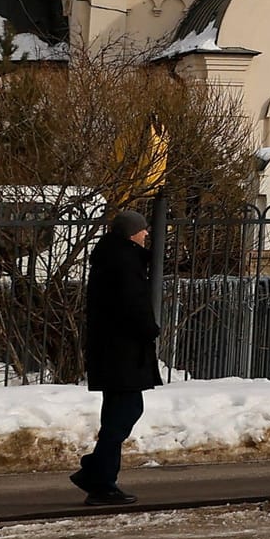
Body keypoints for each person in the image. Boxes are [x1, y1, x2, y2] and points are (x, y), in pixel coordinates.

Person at [72, 209, 161, 505]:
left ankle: (98, 474)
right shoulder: (125, 261)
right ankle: (99, 479)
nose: (146, 233)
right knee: (125, 413)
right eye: (142, 229)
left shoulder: (111, 257)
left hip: (112, 351)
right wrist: (150, 330)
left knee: (117, 414)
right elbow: (132, 304)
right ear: (130, 233)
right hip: (123, 352)